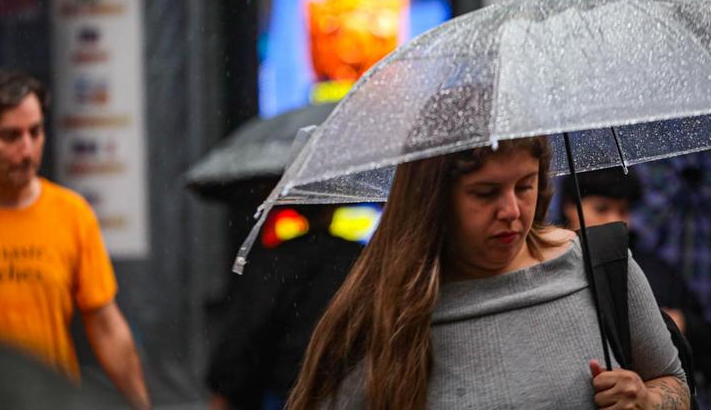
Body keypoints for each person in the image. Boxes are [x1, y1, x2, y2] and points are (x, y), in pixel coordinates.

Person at [286, 137, 689, 409]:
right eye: (485, 193)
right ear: (434, 199)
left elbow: (674, 383)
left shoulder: (602, 264)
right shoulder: (384, 312)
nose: (511, 211)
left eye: (525, 186)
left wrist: (647, 400)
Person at [0, 69, 151, 409]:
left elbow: (106, 325)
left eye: (35, 132)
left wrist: (140, 404)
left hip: (49, 401)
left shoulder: (72, 214)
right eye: (10, 136)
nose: (27, 149)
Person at [559, 167, 711, 388]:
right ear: (569, 206)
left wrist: (678, 323)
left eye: (623, 211)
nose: (614, 220)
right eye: (601, 209)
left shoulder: (653, 270)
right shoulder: (551, 268)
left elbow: (704, 347)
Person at [207, 204, 363, 410]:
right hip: (342, 385)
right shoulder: (357, 259)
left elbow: (251, 324)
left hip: (284, 387)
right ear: (335, 207)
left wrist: (225, 387)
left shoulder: (277, 258)